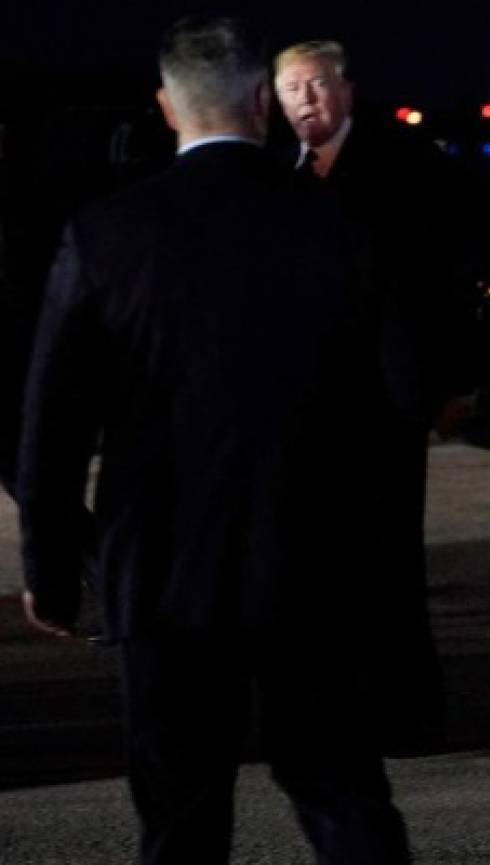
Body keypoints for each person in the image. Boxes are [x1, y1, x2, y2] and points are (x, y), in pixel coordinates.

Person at [18, 17, 413, 863]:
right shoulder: (337, 224)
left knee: (181, 816)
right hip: (313, 566)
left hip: (163, 577)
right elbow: (393, 397)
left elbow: (50, 426)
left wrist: (51, 570)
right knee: (343, 794)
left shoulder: (106, 235)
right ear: (262, 104)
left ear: (167, 109)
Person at [272, 38, 455, 757]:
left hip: (383, 406)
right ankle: (336, 707)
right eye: (290, 90)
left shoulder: (400, 164)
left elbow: (436, 280)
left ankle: (410, 717)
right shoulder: (278, 172)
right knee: (317, 568)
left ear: (346, 90)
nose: (304, 102)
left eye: (315, 86)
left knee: (388, 566)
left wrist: (434, 387)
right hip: (306, 409)